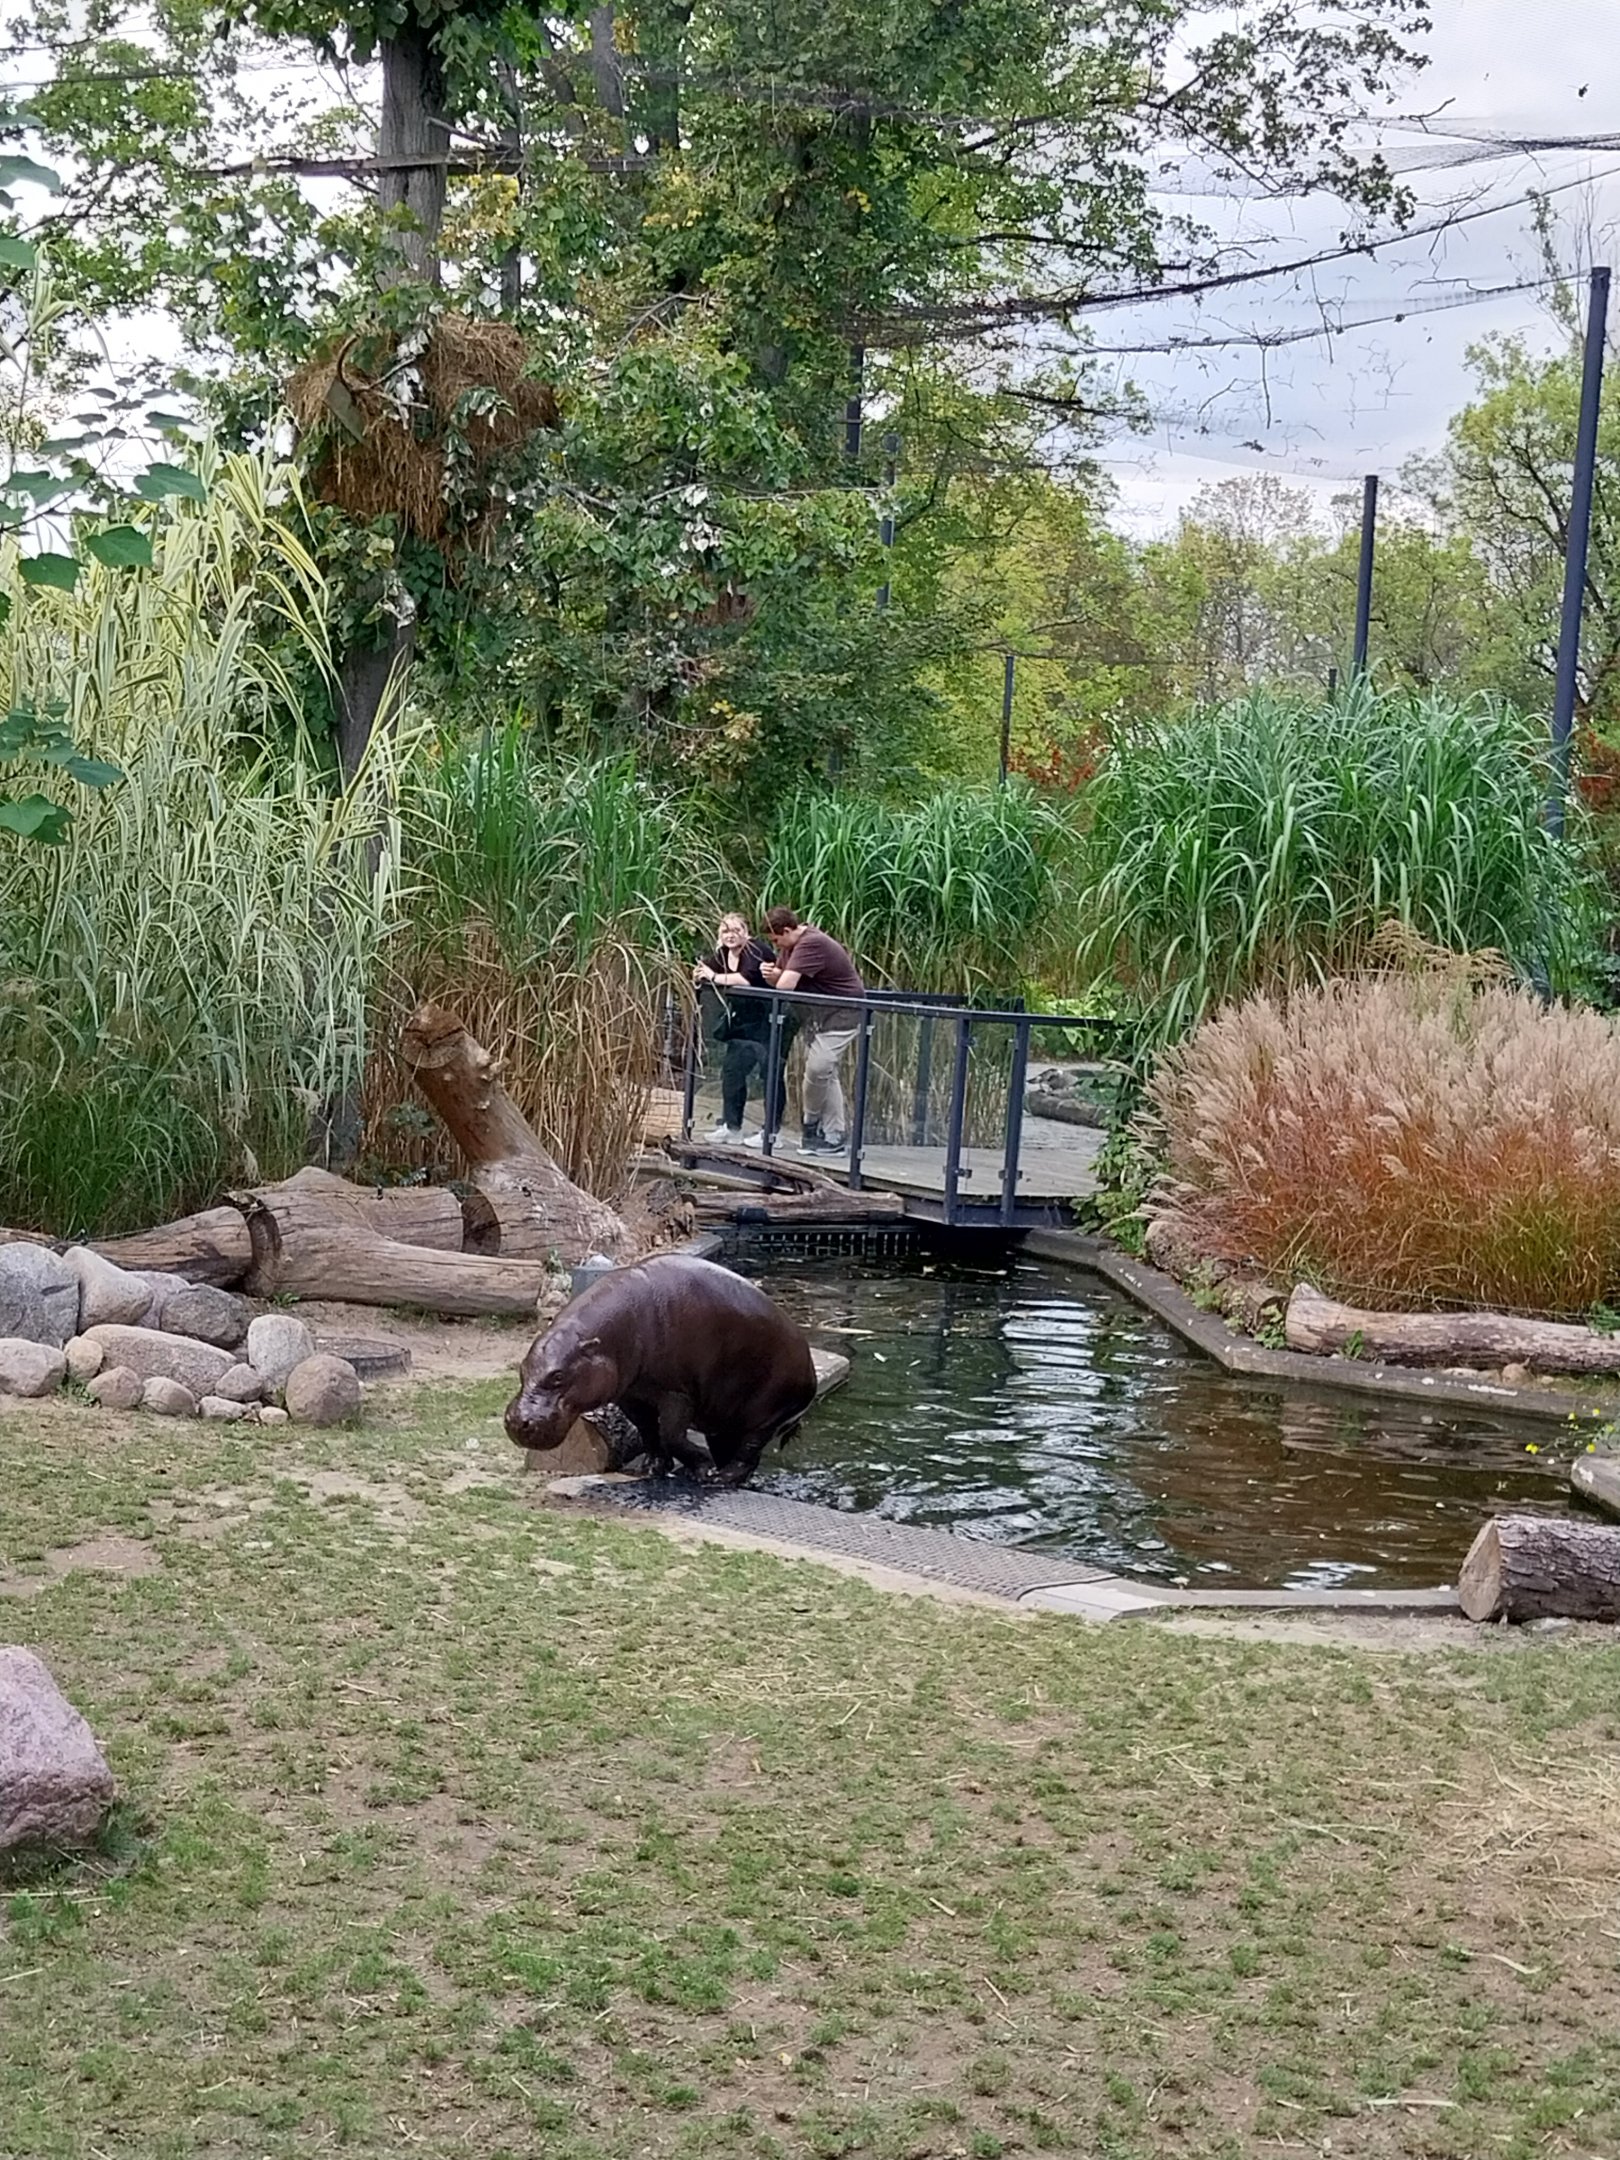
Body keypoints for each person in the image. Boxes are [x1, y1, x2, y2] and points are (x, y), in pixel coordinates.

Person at [755, 906, 865, 1155]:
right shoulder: (791, 947)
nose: (777, 946)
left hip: (844, 1013)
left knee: (818, 1068)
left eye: (776, 940)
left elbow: (784, 986)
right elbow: (781, 980)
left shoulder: (810, 943)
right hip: (819, 1016)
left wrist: (776, 976)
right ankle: (833, 1135)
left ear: (787, 930)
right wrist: (772, 974)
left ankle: (811, 1123)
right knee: (827, 1072)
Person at [693, 913, 775, 1142]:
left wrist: (714, 976)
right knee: (731, 1071)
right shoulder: (723, 954)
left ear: (746, 932)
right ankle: (732, 1126)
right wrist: (701, 974)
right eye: (725, 931)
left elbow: (746, 979)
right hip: (743, 1023)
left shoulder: (755, 950)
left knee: (770, 1073)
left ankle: (771, 1133)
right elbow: (704, 970)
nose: (730, 935)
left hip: (770, 1019)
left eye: (735, 930)